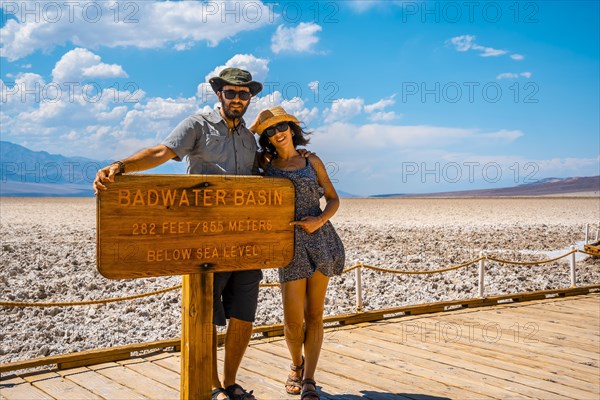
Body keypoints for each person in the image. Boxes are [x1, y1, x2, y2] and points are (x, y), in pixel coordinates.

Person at [94, 67, 267, 400]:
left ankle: (231, 382)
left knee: (243, 315)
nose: (236, 99)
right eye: (230, 93)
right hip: (203, 240)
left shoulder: (249, 139)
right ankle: (213, 385)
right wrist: (123, 165)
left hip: (244, 241)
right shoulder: (196, 126)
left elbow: (261, 180)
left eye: (243, 94)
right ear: (219, 94)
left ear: (250, 98)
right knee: (205, 314)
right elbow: (163, 152)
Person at [250, 106, 345, 400]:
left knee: (315, 314)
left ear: (291, 129)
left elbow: (332, 199)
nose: (277, 134)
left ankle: (309, 380)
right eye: (270, 131)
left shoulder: (312, 161)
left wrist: (318, 220)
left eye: (281, 127)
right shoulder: (265, 163)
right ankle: (296, 363)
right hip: (287, 244)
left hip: (318, 239)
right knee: (292, 320)